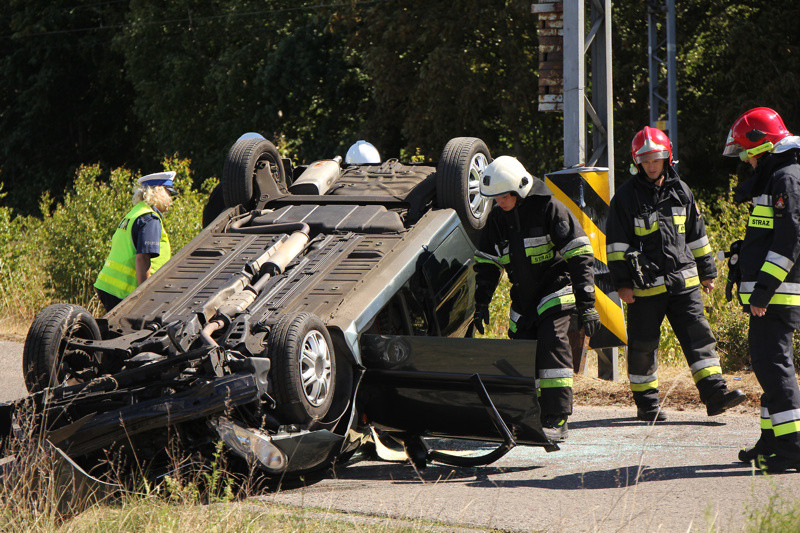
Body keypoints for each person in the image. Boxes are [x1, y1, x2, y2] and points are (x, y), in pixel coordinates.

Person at [606, 126, 745, 422]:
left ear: (667, 157)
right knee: (643, 347)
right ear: (637, 162)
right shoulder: (625, 197)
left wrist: (707, 271)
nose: (651, 165)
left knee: (700, 339)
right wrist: (622, 285)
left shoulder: (682, 190)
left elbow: (697, 235)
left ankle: (715, 395)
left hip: (685, 285)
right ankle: (647, 405)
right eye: (645, 160)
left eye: (656, 159)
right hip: (644, 289)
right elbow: (617, 246)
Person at [473, 156, 600, 442]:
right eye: (494, 198)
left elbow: (580, 255)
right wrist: (481, 303)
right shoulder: (497, 220)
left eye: (503, 197)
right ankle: (529, 416)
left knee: (552, 344)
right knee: (522, 356)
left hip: (555, 289)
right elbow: (487, 265)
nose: (499, 203)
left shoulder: (550, 209)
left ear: (518, 190)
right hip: (523, 300)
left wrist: (587, 304)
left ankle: (556, 417)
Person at [723, 107, 800, 473]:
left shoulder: (786, 178)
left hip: (776, 296)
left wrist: (764, 291)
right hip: (768, 296)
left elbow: (789, 241)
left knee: (775, 366)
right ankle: (772, 441)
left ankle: (792, 448)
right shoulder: (775, 177)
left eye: (746, 150)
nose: (744, 159)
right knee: (767, 368)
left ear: (762, 144)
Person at [94, 171, 176, 312]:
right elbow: (142, 258)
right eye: (169, 194)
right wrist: (144, 297)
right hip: (124, 291)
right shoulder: (150, 218)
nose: (171, 200)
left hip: (108, 287)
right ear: (159, 192)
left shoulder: (135, 213)